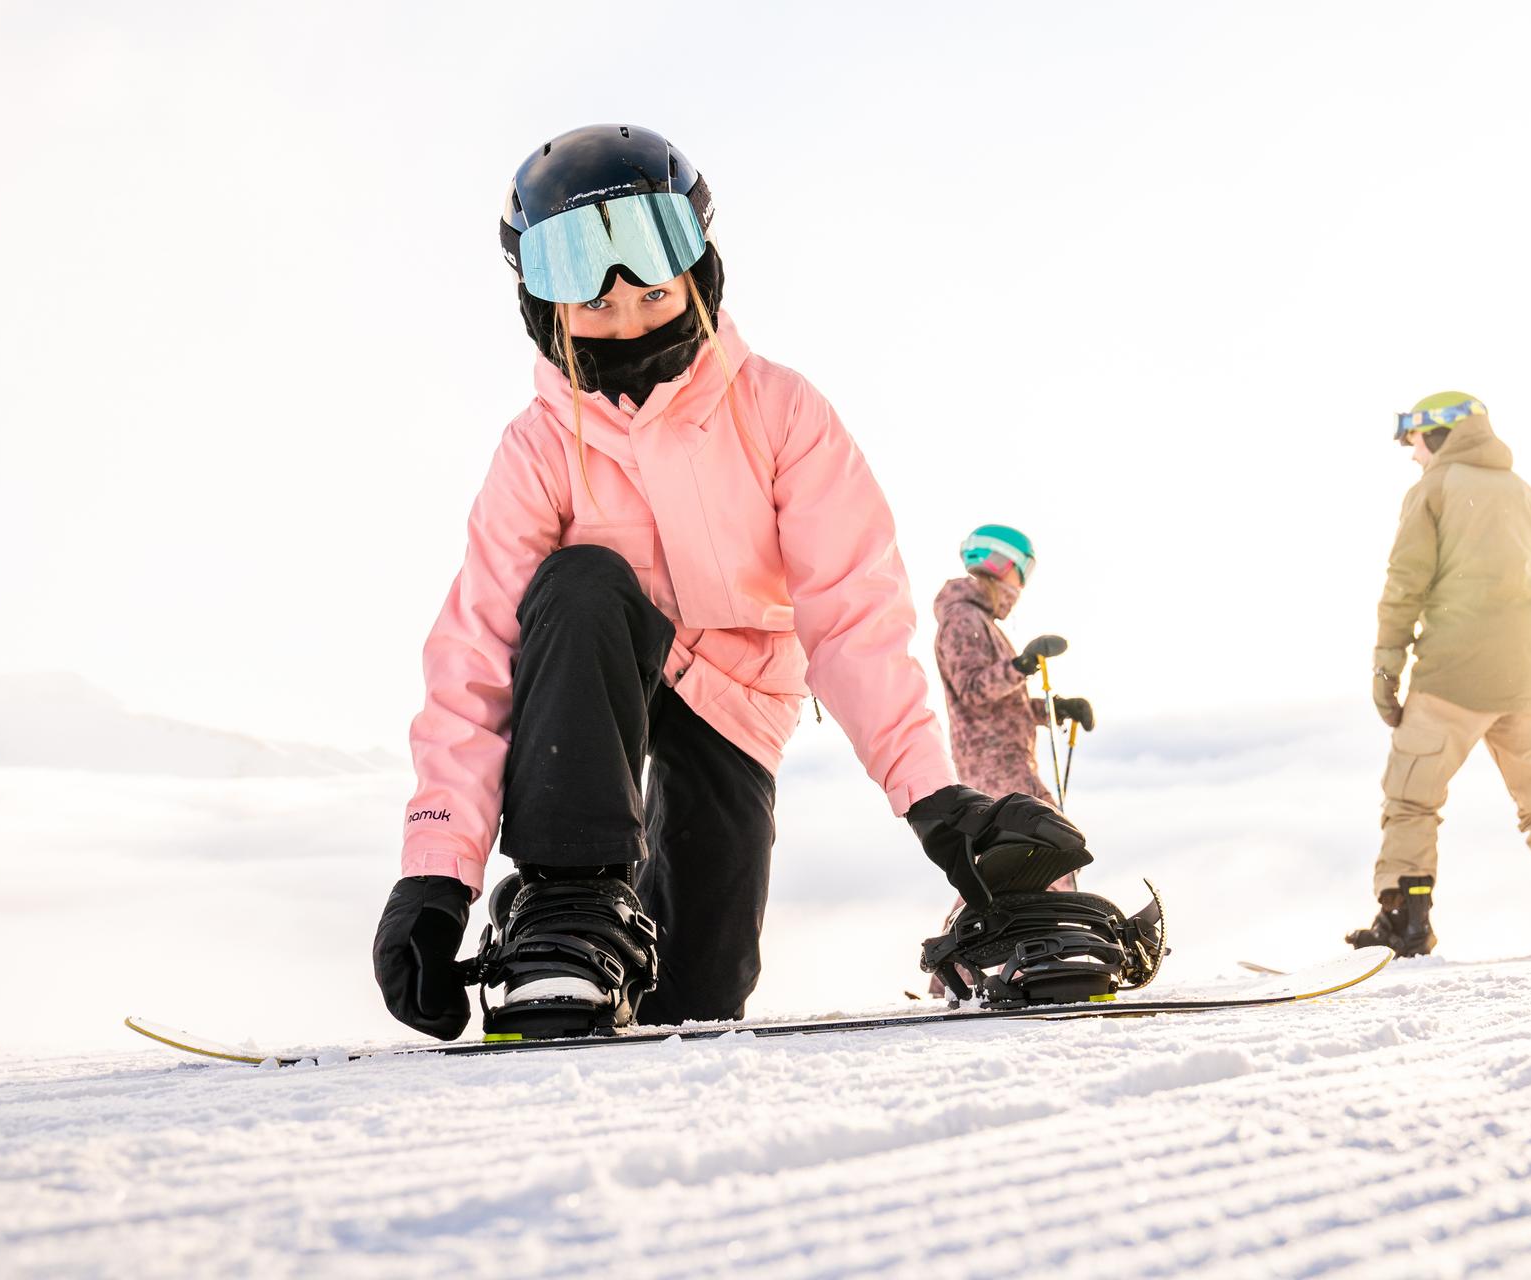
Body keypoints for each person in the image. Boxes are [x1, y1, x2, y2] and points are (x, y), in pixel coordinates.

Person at [370, 125, 1088, 1042]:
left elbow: (852, 617)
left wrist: (933, 797)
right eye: (593, 309)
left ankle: (633, 958)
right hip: (596, 684)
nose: (627, 323)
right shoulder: (539, 448)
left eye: (652, 295)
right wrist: (436, 870)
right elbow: (480, 654)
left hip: (739, 698)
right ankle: (567, 905)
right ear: (545, 312)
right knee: (581, 585)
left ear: (699, 275)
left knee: (701, 992)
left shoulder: (780, 412)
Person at [1348, 392, 1531, 958]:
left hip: (1452, 679)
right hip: (1527, 684)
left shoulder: (1434, 491)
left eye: (1413, 439)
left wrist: (1386, 664)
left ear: (1441, 435)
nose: (1410, 453)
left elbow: (1405, 583)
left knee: (1412, 799)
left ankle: (1405, 922)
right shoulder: (1530, 498)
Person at [921, 527, 1093, 995]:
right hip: (994, 768)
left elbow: (1002, 707)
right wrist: (1020, 665)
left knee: (1021, 864)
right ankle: (984, 973)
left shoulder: (980, 623)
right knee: (1032, 858)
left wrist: (1054, 709)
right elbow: (974, 691)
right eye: (1022, 572)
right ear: (1001, 566)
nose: (1020, 588)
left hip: (1009, 759)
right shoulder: (961, 620)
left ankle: (1010, 967)